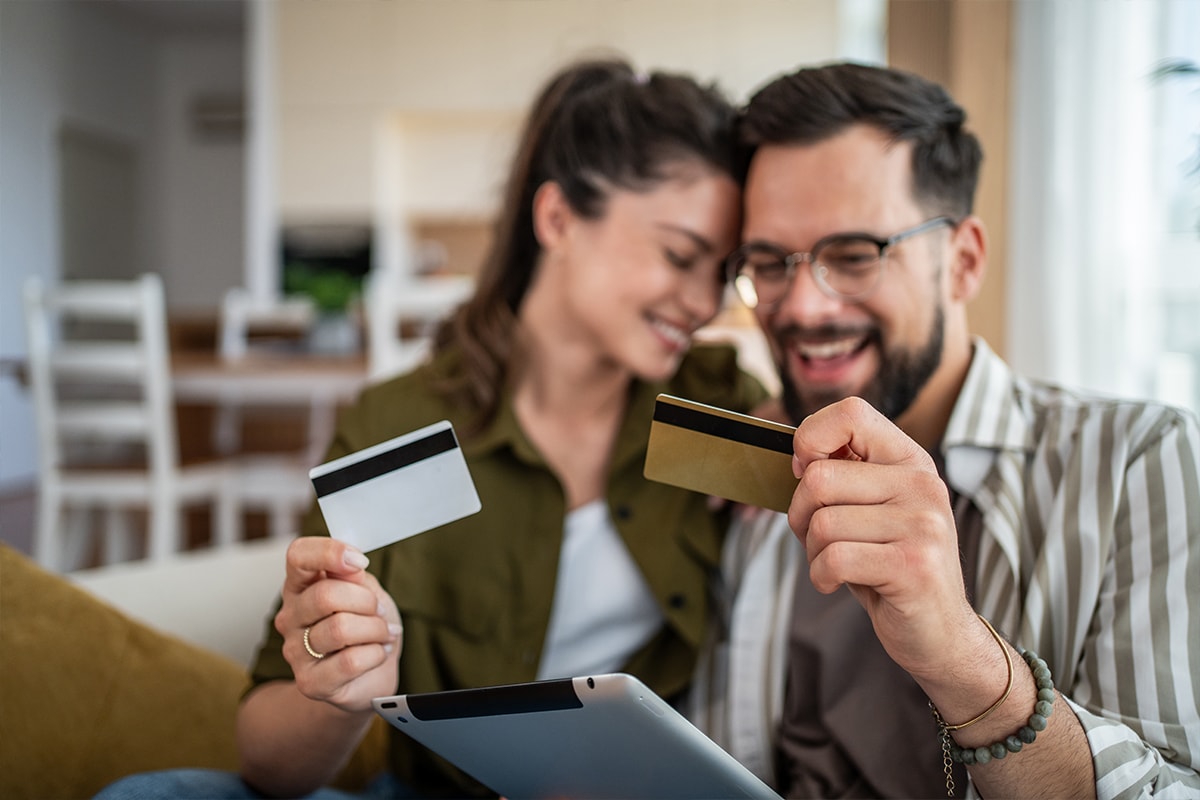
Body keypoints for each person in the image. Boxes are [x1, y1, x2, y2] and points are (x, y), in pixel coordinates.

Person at [95, 58, 766, 799]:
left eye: (723, 269)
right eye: (679, 255)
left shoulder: (716, 412)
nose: (705, 300)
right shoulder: (403, 431)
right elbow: (268, 760)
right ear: (557, 219)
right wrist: (341, 689)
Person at [688, 62, 1200, 799]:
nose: (802, 306)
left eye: (854, 255)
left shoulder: (1138, 465)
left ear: (962, 262)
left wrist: (961, 655)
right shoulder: (755, 477)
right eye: (770, 263)